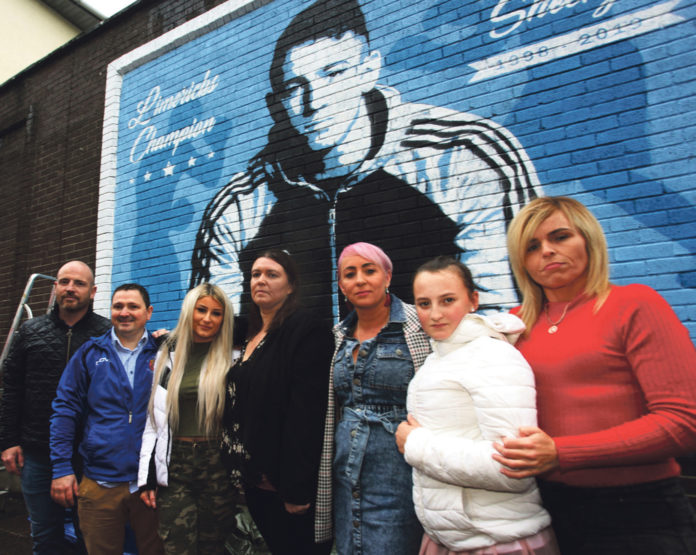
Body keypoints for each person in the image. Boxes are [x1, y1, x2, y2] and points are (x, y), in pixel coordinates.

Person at [190, 0, 540, 323]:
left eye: (334, 73)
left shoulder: (462, 154)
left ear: (370, 69)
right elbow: (216, 335)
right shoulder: (238, 205)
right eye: (296, 87)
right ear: (276, 104)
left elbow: (504, 317)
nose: (315, 102)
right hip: (299, 390)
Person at [494, 196, 696, 554]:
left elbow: (684, 422)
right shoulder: (513, 324)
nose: (548, 251)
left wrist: (561, 452)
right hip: (544, 509)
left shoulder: (634, 304)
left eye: (560, 237)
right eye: (532, 246)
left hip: (637, 513)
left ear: (588, 239)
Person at [395, 256, 558, 555]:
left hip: (497, 540)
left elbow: (510, 468)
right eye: (424, 303)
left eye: (447, 300)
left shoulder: (493, 356)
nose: (435, 314)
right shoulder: (437, 358)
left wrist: (416, 444)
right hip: (451, 537)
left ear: (473, 300)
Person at [317, 242, 431, 554]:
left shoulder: (418, 324)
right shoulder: (337, 336)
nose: (360, 280)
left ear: (388, 276)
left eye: (370, 270)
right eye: (349, 274)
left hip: (401, 476)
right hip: (346, 474)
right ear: (341, 285)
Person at [221, 249, 333, 554]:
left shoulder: (306, 328)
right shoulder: (251, 333)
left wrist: (295, 488)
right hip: (253, 480)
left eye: (272, 274)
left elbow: (307, 413)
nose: (261, 280)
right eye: (256, 274)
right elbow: (198, 329)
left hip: (283, 484)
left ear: (291, 285)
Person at [0, 260, 111, 554]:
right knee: (45, 536)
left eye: (79, 283)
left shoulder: (108, 334)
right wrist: (9, 440)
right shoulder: (30, 330)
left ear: (93, 291)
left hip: (92, 457)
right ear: (55, 287)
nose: (70, 289)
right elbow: (11, 388)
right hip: (37, 452)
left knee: (91, 538)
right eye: (64, 282)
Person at [49, 283, 164, 555]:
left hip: (151, 485)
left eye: (133, 306)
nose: (124, 312)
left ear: (148, 312)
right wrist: (62, 467)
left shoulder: (165, 352)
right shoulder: (90, 353)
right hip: (99, 482)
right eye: (118, 306)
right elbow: (65, 409)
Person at [138, 283, 237, 553]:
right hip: (175, 463)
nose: (207, 318)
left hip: (216, 462)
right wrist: (147, 475)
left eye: (216, 313)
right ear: (188, 312)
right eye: (200, 310)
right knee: (176, 544)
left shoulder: (234, 355)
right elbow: (154, 421)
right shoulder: (169, 353)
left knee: (214, 545)